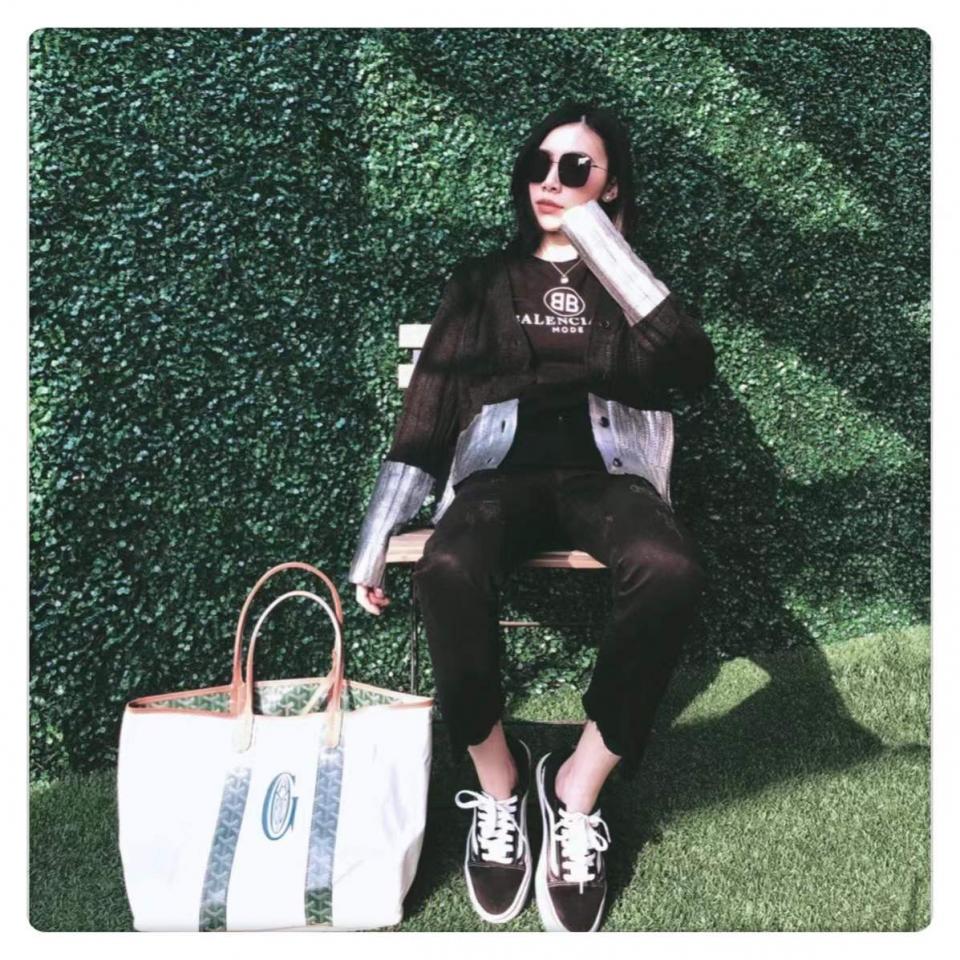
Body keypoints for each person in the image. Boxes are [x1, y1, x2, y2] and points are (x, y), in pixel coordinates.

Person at [348, 101, 715, 932]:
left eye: (575, 168)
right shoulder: (480, 281)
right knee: (446, 565)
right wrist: (377, 539)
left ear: (610, 185)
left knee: (671, 570)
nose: (550, 180)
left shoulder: (630, 281)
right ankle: (501, 783)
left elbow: (690, 368)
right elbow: (428, 413)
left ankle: (575, 789)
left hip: (606, 479)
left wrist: (601, 243)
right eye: (540, 165)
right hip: (499, 480)